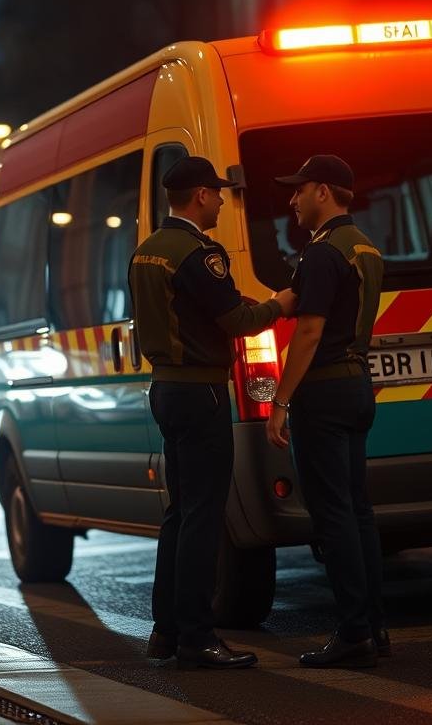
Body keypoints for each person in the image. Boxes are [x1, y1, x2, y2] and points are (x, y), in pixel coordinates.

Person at [129, 156, 292, 670]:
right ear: (199, 195)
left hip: (166, 390)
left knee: (180, 513)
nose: (222, 199)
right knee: (204, 517)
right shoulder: (200, 253)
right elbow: (236, 318)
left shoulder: (147, 252)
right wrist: (281, 304)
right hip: (202, 393)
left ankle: (167, 630)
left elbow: (194, 307)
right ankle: (198, 637)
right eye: (217, 193)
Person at [268, 155, 387, 669]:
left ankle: (354, 632)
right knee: (359, 513)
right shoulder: (364, 247)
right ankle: (373, 627)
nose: (292, 200)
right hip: (359, 386)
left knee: (333, 515)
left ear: (322, 191)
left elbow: (311, 331)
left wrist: (279, 402)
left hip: (325, 392)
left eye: (298, 190)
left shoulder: (321, 253)